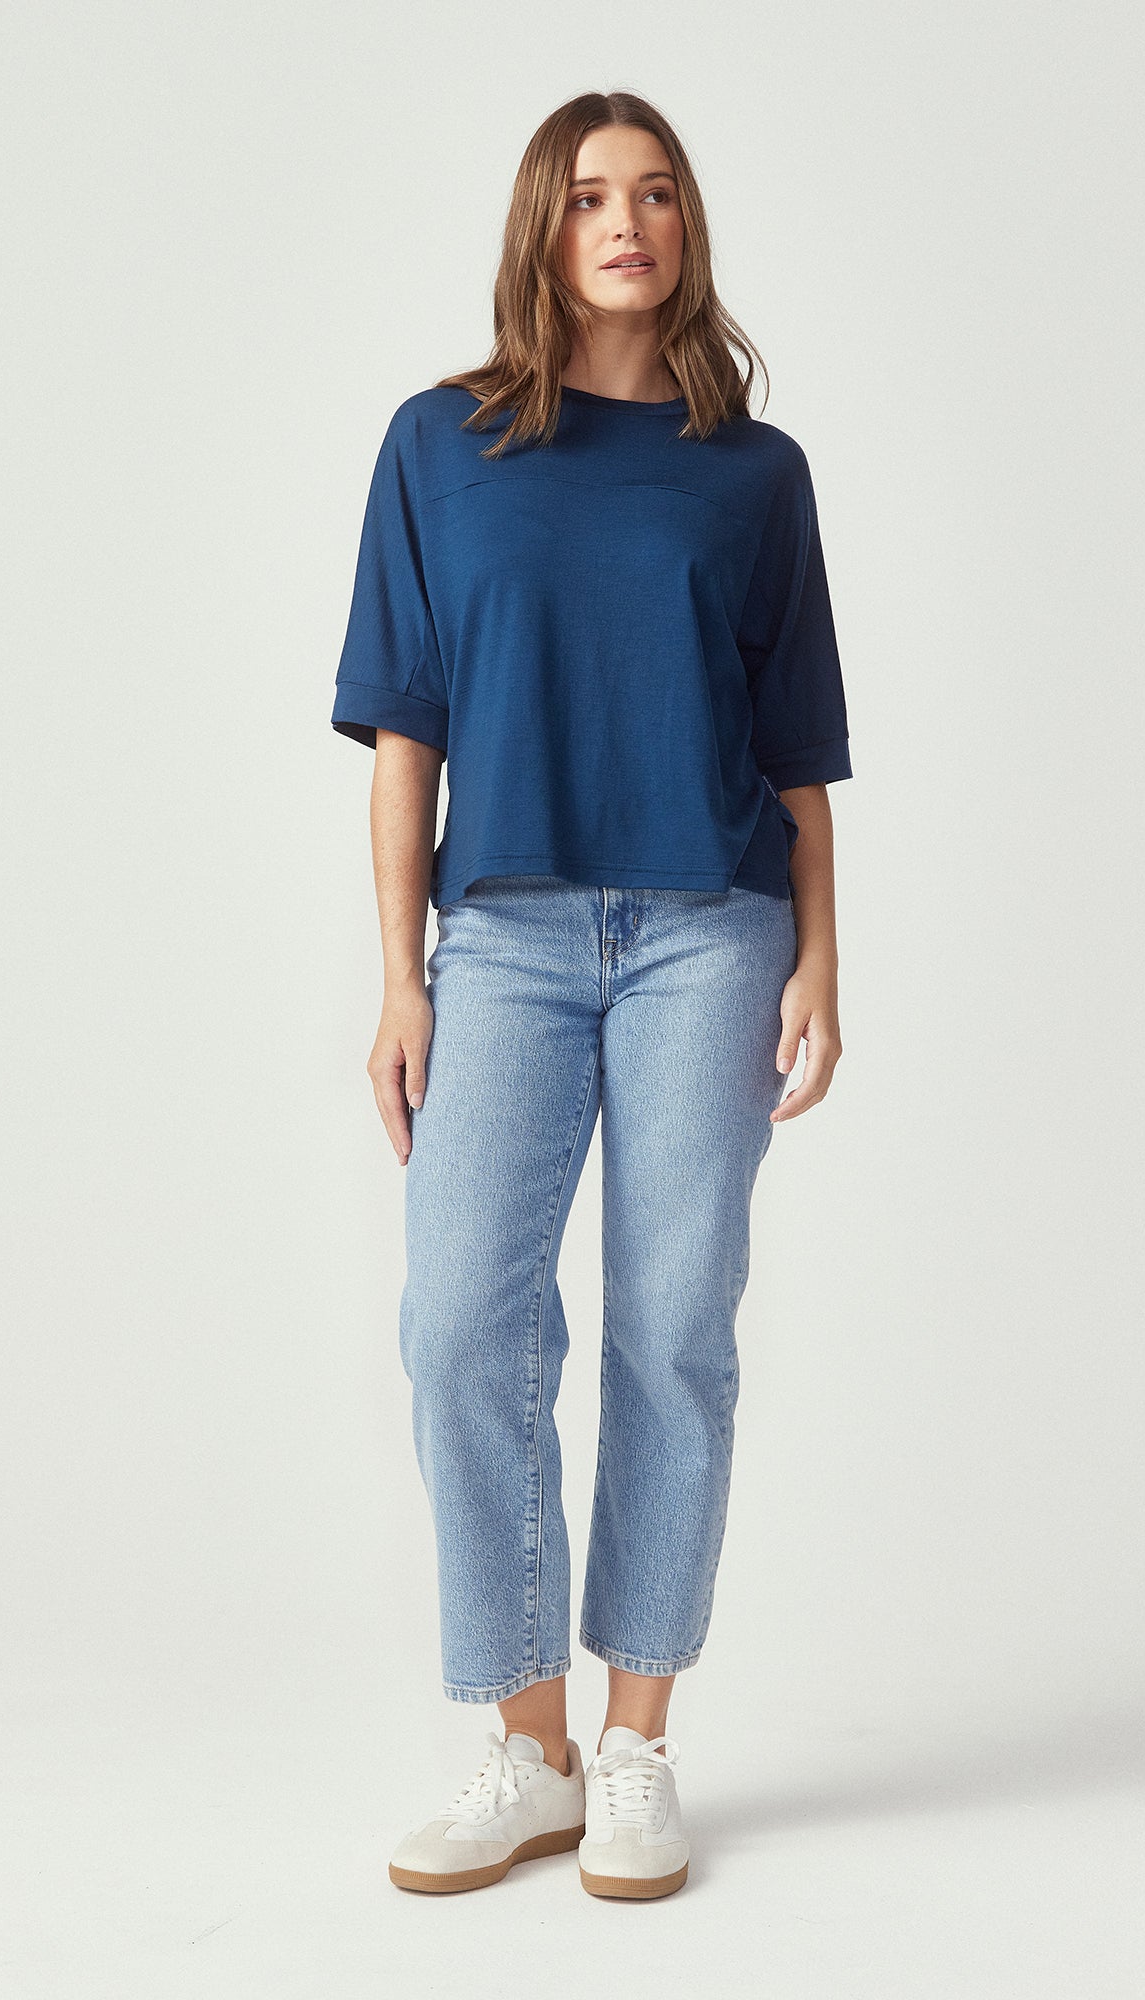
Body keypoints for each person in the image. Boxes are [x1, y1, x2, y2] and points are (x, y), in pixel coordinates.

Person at [330, 89, 853, 1901]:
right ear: (539, 233)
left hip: (717, 930)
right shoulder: (441, 444)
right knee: (461, 1328)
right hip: (507, 938)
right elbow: (404, 737)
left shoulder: (753, 473)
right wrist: (399, 979)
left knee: (672, 1331)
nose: (622, 223)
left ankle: (637, 1749)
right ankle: (529, 1749)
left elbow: (798, 751)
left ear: (686, 225)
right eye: (584, 197)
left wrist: (824, 954)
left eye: (653, 194)